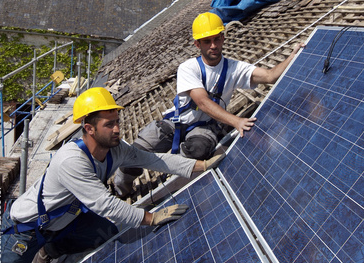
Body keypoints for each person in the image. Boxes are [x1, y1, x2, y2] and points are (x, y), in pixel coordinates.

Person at [0, 87, 217, 263]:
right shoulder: (71, 160)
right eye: (109, 124)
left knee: (106, 232)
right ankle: (40, 250)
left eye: (117, 121)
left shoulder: (116, 150)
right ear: (89, 128)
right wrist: (151, 217)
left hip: (67, 220)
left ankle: (49, 250)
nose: (117, 129)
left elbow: (154, 160)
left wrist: (199, 166)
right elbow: (104, 204)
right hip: (26, 229)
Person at [113, 12, 305, 194]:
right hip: (176, 122)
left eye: (217, 39)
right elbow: (202, 102)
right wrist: (237, 121)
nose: (213, 45)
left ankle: (177, 180)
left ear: (223, 38)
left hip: (205, 127)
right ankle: (121, 190)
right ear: (198, 44)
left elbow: (270, 76)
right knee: (134, 154)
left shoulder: (234, 68)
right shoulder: (188, 68)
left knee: (198, 148)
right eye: (207, 41)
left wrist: (292, 57)